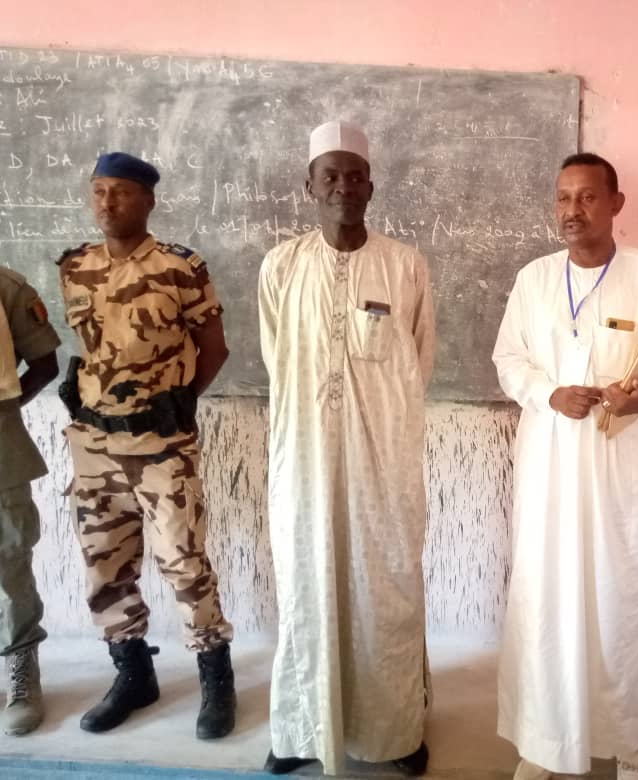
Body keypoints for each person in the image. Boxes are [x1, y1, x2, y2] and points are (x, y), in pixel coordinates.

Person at [493, 152, 638, 780]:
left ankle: (628, 742)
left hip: (622, 472)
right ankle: (545, 740)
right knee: (548, 598)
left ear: (616, 203)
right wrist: (549, 394)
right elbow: (509, 359)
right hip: (551, 473)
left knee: (622, 600)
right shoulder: (534, 278)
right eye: (563, 198)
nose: (573, 210)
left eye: (588, 197)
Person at [258, 121, 436, 777]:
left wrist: (377, 426)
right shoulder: (281, 267)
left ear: (371, 186)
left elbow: (419, 360)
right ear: (309, 185)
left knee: (385, 585)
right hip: (305, 457)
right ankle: (302, 730)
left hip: (383, 462)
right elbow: (279, 361)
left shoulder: (405, 265)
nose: (343, 187)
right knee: (307, 581)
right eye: (330, 175)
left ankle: (396, 733)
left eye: (354, 175)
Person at [58, 152, 235, 738]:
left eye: (121, 192)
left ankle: (216, 677)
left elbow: (215, 347)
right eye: (99, 191)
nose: (107, 203)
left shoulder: (179, 266)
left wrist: (179, 404)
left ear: (148, 200)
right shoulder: (76, 266)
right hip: (94, 445)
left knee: (184, 561)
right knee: (104, 564)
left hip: (162, 446)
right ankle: (133, 673)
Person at [0, 264, 60, 735]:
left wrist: (6, 412)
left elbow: (44, 364)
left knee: (9, 561)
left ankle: (21, 668)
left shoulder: (7, 288)